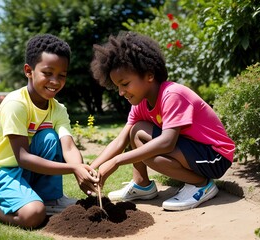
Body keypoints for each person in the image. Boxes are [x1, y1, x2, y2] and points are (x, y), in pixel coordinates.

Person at [0, 34, 99, 228]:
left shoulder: (58, 109)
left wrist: (82, 169)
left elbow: (69, 148)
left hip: (27, 172)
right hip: (1, 173)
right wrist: (72, 168)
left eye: (61, 75)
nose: (55, 81)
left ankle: (50, 198)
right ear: (29, 71)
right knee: (34, 216)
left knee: (49, 137)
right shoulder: (16, 104)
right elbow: (23, 157)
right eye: (48, 73)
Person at [89, 32, 235, 211]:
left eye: (125, 84)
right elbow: (121, 140)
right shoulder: (141, 102)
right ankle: (142, 185)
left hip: (214, 156)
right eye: (117, 86)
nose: (120, 92)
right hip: (192, 151)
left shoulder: (172, 95)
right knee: (136, 131)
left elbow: (167, 143)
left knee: (146, 147)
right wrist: (91, 168)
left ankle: (201, 184)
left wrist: (117, 161)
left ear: (149, 76)